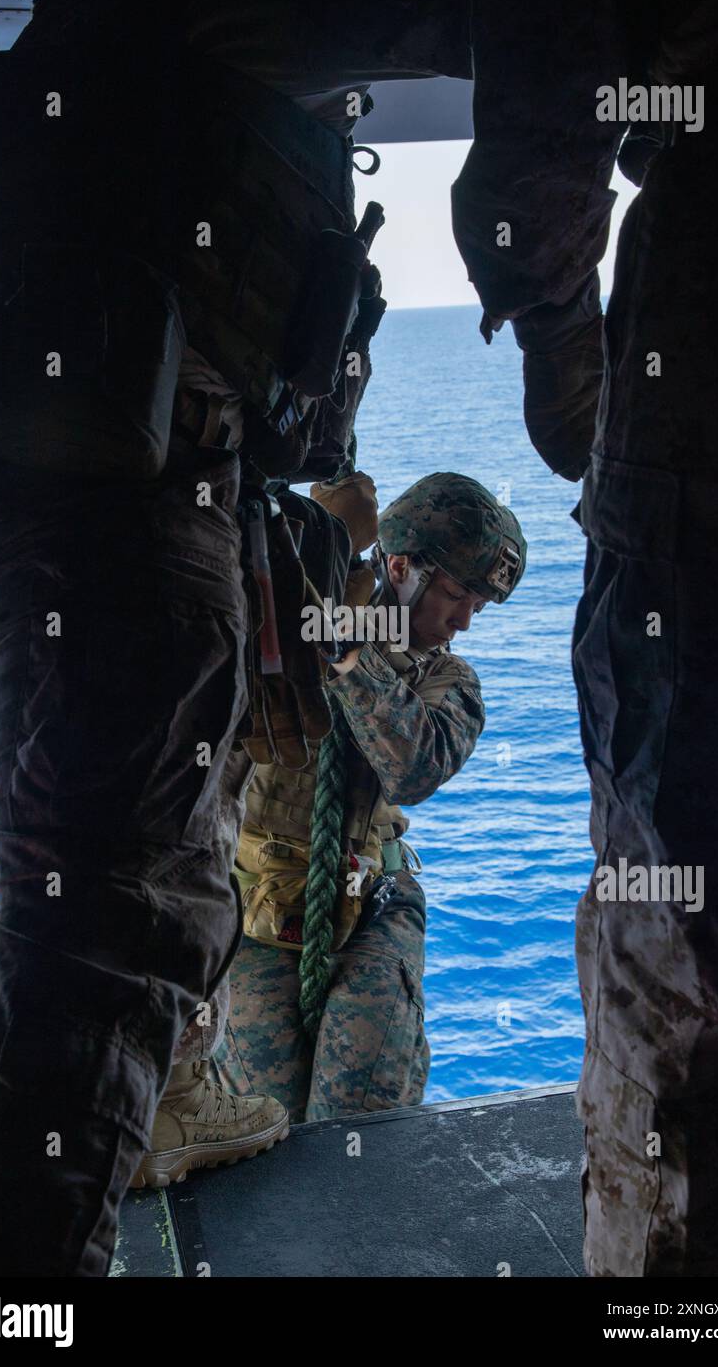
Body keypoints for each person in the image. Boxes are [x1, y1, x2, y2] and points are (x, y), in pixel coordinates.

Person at [0, 0, 718, 1278]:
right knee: (127, 943)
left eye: (474, 599)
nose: (454, 609)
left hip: (354, 895)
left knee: (319, 1101)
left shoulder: (421, 667)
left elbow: (396, 756)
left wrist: (354, 609)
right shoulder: (314, 572)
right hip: (248, 858)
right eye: (447, 582)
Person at [207, 472, 526, 1123]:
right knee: (265, 1123)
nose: (464, 621)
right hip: (254, 907)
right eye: (457, 596)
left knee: (361, 1121)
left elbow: (414, 766)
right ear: (402, 567)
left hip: (370, 908)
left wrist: (349, 650)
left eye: (478, 607)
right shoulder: (278, 631)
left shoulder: (446, 678)